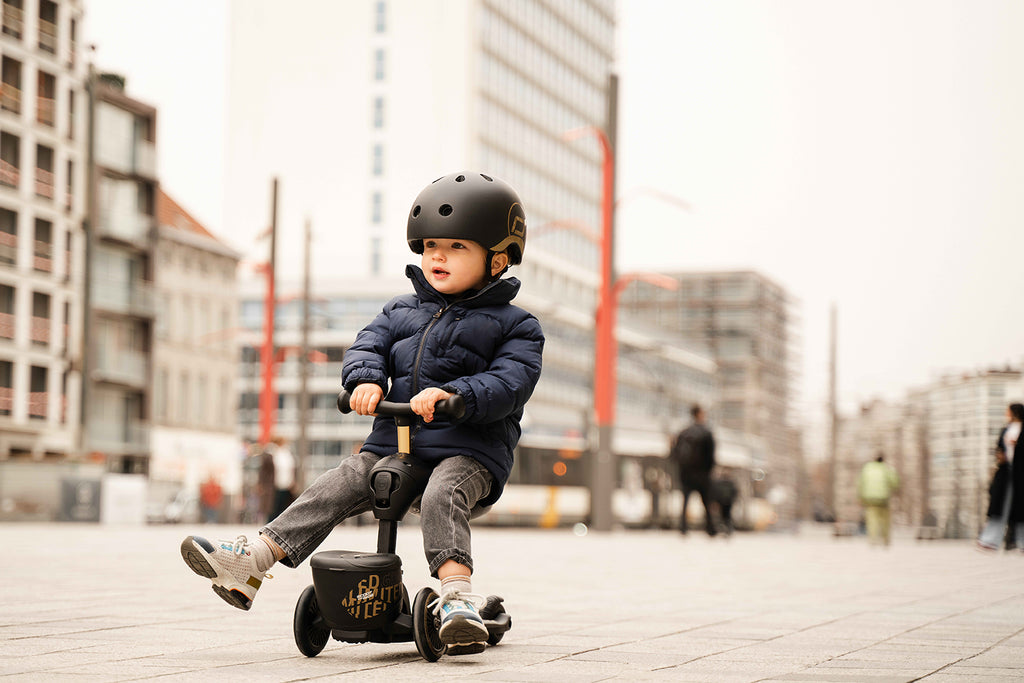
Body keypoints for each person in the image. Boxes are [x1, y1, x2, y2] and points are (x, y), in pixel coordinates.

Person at [179, 172, 544, 656]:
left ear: (497, 258)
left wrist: (455, 394)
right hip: (393, 444)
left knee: (443, 491)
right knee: (342, 480)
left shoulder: (517, 326)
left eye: (457, 246)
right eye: (430, 246)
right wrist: (366, 381)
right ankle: (254, 561)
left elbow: (511, 382)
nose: (438, 256)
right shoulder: (400, 311)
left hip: (469, 453)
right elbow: (366, 345)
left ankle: (457, 597)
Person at [977, 403, 1024, 552]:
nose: (1006, 413)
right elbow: (999, 447)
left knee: (1021, 510)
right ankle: (989, 541)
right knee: (998, 507)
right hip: (1005, 472)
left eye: (1008, 411)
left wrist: (1018, 445)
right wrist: (1000, 455)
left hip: (1021, 473)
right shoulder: (1006, 429)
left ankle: (1022, 542)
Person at [670, 404, 717, 536]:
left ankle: (683, 527)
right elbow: (711, 456)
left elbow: (675, 453)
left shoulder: (684, 432)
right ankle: (710, 528)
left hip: (686, 473)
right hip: (702, 474)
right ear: (699, 415)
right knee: (706, 502)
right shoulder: (706, 433)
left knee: (685, 500)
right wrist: (709, 471)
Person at [857, 453, 900, 546]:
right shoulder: (887, 469)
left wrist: (860, 497)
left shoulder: (867, 468)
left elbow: (860, 483)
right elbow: (895, 483)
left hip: (870, 499)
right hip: (884, 498)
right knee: (885, 519)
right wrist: (894, 490)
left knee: (872, 519)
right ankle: (885, 539)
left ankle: (873, 539)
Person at [268, 435, 296, 522]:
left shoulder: (287, 454)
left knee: (284, 507)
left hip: (287, 485)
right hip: (275, 485)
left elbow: (292, 469)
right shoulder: (272, 453)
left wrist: (293, 482)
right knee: (274, 508)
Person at [256, 442, 275, 523]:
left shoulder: (268, 457)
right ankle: (264, 520)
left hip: (270, 485)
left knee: (268, 504)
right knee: (266, 504)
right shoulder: (267, 457)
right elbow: (263, 472)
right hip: (268, 485)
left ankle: (265, 520)